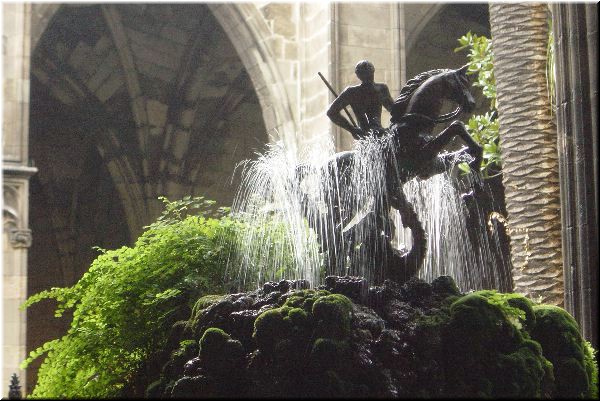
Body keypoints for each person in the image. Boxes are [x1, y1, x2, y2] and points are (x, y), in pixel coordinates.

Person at [326, 60, 394, 140]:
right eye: (364, 73)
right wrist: (352, 129)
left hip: (379, 134)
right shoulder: (352, 92)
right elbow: (331, 112)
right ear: (359, 75)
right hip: (365, 136)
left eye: (368, 72)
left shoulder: (381, 89)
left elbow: (394, 111)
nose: (368, 76)